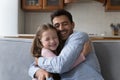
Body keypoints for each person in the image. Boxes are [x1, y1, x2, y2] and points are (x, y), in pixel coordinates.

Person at [29, 9, 104, 80]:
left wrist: (39, 61)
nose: (61, 28)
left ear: (72, 25)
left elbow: (60, 66)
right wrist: (37, 71)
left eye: (65, 24)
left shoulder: (79, 36)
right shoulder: (55, 44)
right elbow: (32, 67)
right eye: (57, 25)